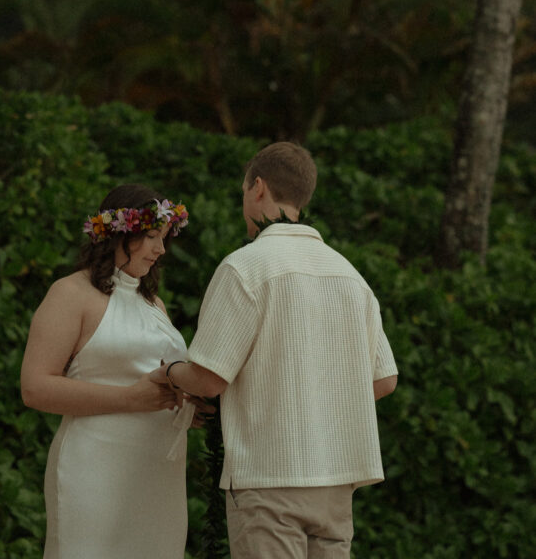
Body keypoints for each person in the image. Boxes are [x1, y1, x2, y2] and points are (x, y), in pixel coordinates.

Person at [151, 141, 398, 559]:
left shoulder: (245, 266)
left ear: (258, 187)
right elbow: (384, 380)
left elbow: (209, 379)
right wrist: (316, 402)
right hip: (337, 483)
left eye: (244, 190)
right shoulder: (349, 274)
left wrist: (170, 371)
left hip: (269, 477)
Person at [21, 183, 195, 559]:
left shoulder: (154, 304)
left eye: (164, 238)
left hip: (156, 476)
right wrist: (131, 398)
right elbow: (34, 387)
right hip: (94, 471)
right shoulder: (71, 293)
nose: (160, 249)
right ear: (119, 233)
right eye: (151, 236)